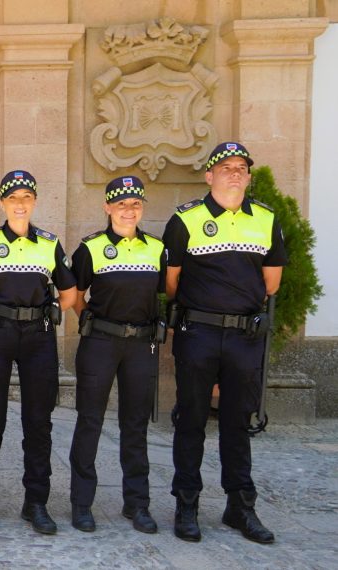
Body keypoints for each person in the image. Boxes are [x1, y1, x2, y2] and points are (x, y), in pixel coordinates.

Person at [164, 142, 285, 544]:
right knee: (192, 419)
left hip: (244, 338)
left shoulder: (266, 220)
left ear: (248, 176)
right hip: (197, 332)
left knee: (238, 422)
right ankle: (187, 504)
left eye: (241, 168)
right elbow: (171, 282)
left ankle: (240, 507)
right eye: (226, 167)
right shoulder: (186, 219)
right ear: (209, 175)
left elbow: (271, 283)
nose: (235, 173)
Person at [0, 170, 76, 535]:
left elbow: (69, 295)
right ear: (2, 203)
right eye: (13, 198)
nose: (20, 204)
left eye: (26, 197)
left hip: (39, 337)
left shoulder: (49, 244)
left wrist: (43, 313)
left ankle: (36, 503)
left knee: (38, 423)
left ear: (35, 201)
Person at [67, 175, 165, 534]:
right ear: (107, 207)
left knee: (135, 425)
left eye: (135, 204)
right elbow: (74, 294)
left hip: (141, 345)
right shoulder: (90, 248)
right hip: (100, 344)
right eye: (121, 204)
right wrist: (94, 322)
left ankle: (137, 504)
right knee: (89, 421)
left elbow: (165, 291)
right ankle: (81, 504)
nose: (128, 210)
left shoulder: (156, 248)